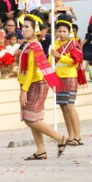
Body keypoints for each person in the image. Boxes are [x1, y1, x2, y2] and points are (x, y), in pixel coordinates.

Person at [18, 12, 66, 160]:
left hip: (36, 84)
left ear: (34, 30)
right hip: (32, 83)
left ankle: (60, 138)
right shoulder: (30, 45)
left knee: (30, 119)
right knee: (32, 118)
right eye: (23, 27)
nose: (23, 30)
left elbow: (31, 70)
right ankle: (41, 150)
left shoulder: (34, 46)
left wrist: (24, 90)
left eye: (26, 27)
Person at [51, 15, 86, 147]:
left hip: (70, 77)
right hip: (58, 77)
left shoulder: (73, 44)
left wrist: (60, 57)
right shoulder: (54, 44)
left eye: (64, 31)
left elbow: (76, 62)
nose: (61, 33)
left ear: (69, 31)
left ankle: (78, 136)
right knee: (63, 107)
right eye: (59, 31)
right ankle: (70, 135)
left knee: (70, 106)